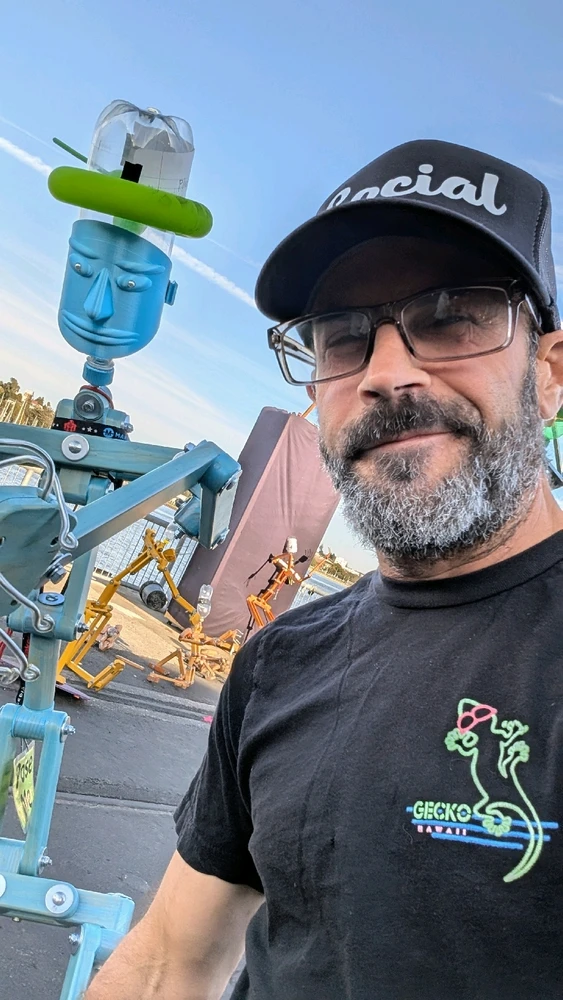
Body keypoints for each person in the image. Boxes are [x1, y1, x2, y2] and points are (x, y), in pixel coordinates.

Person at [85, 140, 563, 1000]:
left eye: (451, 315)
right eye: (341, 336)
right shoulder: (277, 661)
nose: (385, 374)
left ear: (550, 374)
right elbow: (167, 962)